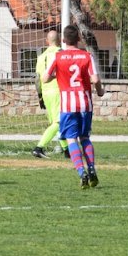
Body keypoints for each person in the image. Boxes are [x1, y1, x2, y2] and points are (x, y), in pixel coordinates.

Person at [41, 25, 104, 189]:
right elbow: (95, 79)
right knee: (85, 138)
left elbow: (45, 78)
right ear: (78, 39)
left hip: (67, 105)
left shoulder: (58, 56)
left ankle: (81, 172)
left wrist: (58, 75)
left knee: (71, 139)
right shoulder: (86, 56)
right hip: (84, 103)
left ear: (63, 40)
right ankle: (91, 169)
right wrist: (100, 91)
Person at [32, 30, 69, 159]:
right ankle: (39, 148)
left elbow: (37, 79)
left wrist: (40, 96)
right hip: (58, 91)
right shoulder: (62, 54)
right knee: (59, 122)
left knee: (56, 122)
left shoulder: (41, 56)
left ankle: (66, 150)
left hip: (46, 93)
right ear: (60, 40)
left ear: (47, 41)